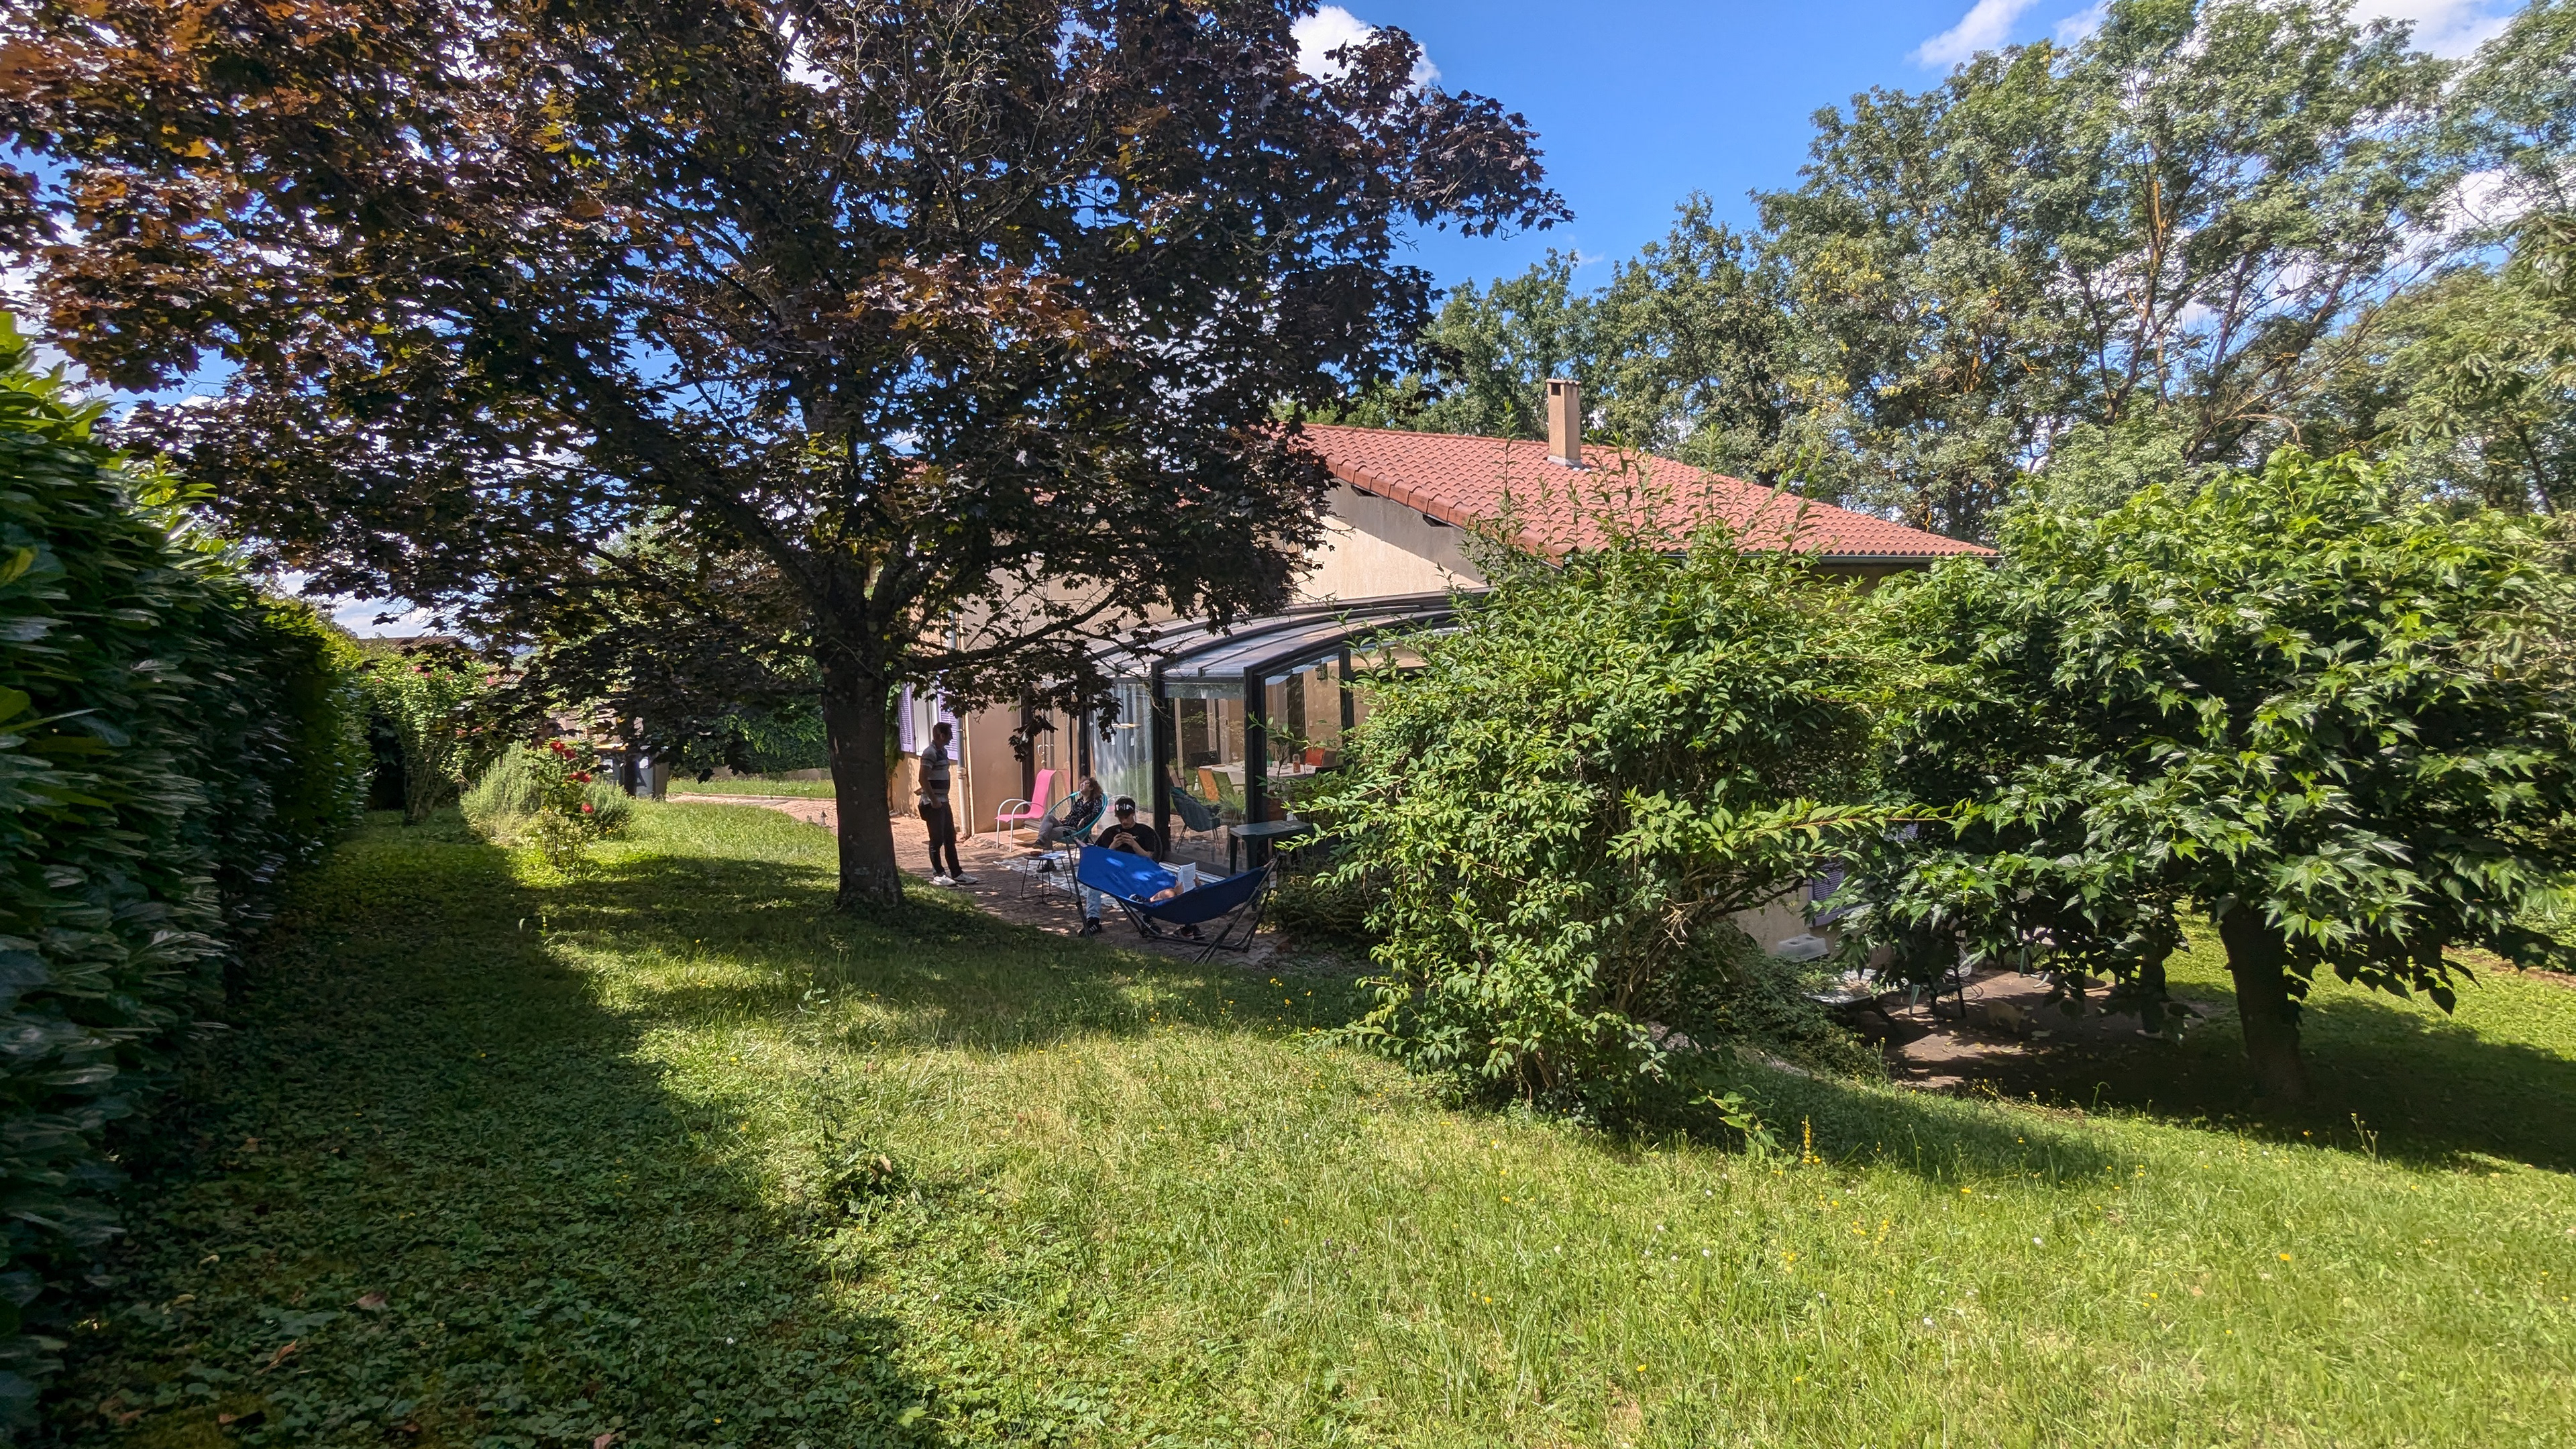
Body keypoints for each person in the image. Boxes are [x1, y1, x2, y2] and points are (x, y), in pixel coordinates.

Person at [1078, 796, 1161, 935]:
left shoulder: (1145, 831)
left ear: (1133, 813)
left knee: (1148, 878)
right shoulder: (1110, 833)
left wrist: (1134, 845)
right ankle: (1093, 921)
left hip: (1136, 871)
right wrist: (1112, 846)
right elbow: (1098, 858)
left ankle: (1147, 919)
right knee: (1093, 881)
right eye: (1121, 818)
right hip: (1114, 872)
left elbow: (1150, 859)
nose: (1124, 821)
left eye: (1127, 817)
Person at [915, 721, 976, 886]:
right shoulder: (930, 753)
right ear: (942, 736)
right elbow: (923, 777)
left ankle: (957, 873)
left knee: (950, 838)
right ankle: (939, 874)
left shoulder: (943, 751)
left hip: (943, 801)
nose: (951, 738)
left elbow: (930, 778)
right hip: (934, 804)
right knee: (936, 839)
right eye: (949, 735)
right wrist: (933, 799)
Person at [1036, 775, 1107, 849]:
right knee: (1048, 817)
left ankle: (1047, 851)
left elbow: (1096, 812)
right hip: (1066, 824)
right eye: (1081, 783)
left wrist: (1084, 819)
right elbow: (1072, 814)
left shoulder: (1096, 801)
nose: (1082, 785)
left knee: (1047, 832)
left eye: (1085, 784)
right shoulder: (1079, 801)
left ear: (1091, 788)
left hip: (1074, 830)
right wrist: (1064, 819)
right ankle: (1041, 842)